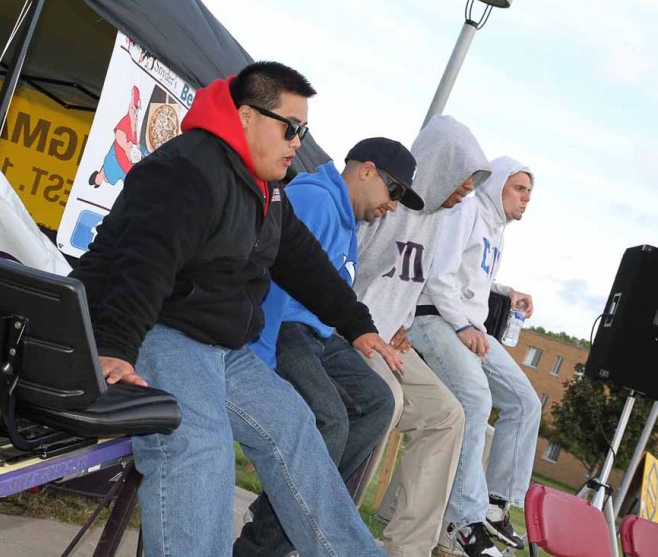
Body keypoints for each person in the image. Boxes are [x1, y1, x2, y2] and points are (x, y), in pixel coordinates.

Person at [71, 61, 400, 557]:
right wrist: (116, 347)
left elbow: (303, 260)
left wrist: (356, 324)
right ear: (247, 116)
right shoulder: (188, 169)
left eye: (304, 131)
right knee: (200, 449)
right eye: (291, 128)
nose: (298, 142)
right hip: (160, 330)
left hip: (223, 348)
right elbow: (142, 262)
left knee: (295, 428)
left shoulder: (265, 187)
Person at [235, 138, 423, 556]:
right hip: (281, 331)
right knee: (330, 421)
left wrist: (362, 329)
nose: (393, 206)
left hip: (316, 335)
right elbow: (276, 279)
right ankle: (262, 545)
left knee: (376, 402)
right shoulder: (315, 200)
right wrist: (258, 362)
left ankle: (291, 516)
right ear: (367, 170)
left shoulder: (348, 223)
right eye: (394, 192)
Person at [354, 115, 490, 556]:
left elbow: (410, 286)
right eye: (463, 177)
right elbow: (347, 273)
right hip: (350, 333)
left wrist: (403, 325)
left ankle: (406, 550)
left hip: (390, 341)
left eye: (472, 183)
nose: (467, 189)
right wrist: (365, 325)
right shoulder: (384, 205)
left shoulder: (440, 220)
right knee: (385, 403)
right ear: (440, 164)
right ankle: (330, 531)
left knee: (448, 415)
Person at [408, 155, 541, 557]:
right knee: (476, 398)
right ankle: (463, 521)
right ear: (496, 183)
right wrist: (464, 327)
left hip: (469, 326)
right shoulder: (466, 209)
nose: (526, 199)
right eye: (519, 188)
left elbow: (473, 275)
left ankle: (496, 504)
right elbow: (439, 275)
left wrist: (505, 290)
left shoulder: (497, 229)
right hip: (434, 318)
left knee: (525, 402)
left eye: (530, 193)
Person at [89, 85, 142, 188]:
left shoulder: (107, 163)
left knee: (132, 119)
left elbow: (119, 135)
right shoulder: (110, 175)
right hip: (129, 162)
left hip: (126, 156)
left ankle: (134, 96)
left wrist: (126, 146)